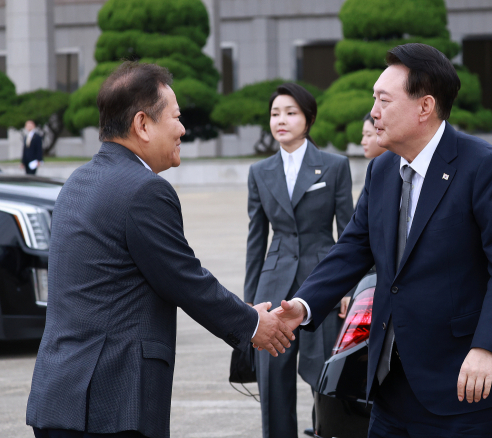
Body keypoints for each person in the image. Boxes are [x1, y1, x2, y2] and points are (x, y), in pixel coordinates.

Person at [275, 43, 492, 438]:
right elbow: (352, 247)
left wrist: (487, 348)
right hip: (392, 385)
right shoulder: (382, 170)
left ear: (425, 107)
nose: (373, 112)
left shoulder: (486, 168)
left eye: (384, 100)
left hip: (467, 385)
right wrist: (301, 306)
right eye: (374, 99)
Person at [26, 62, 294, 438]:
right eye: (176, 117)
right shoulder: (144, 190)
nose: (183, 129)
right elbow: (184, 279)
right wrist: (252, 325)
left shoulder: (78, 182)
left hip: (59, 398)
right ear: (142, 125)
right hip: (111, 405)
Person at [244, 83, 354, 438]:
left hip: (322, 280)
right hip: (273, 281)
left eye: (290, 112)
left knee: (323, 372)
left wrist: (349, 288)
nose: (281, 120)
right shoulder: (260, 172)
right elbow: (256, 239)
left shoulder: (335, 166)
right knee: (273, 378)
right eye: (275, 113)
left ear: (308, 119)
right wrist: (249, 300)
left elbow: (351, 232)